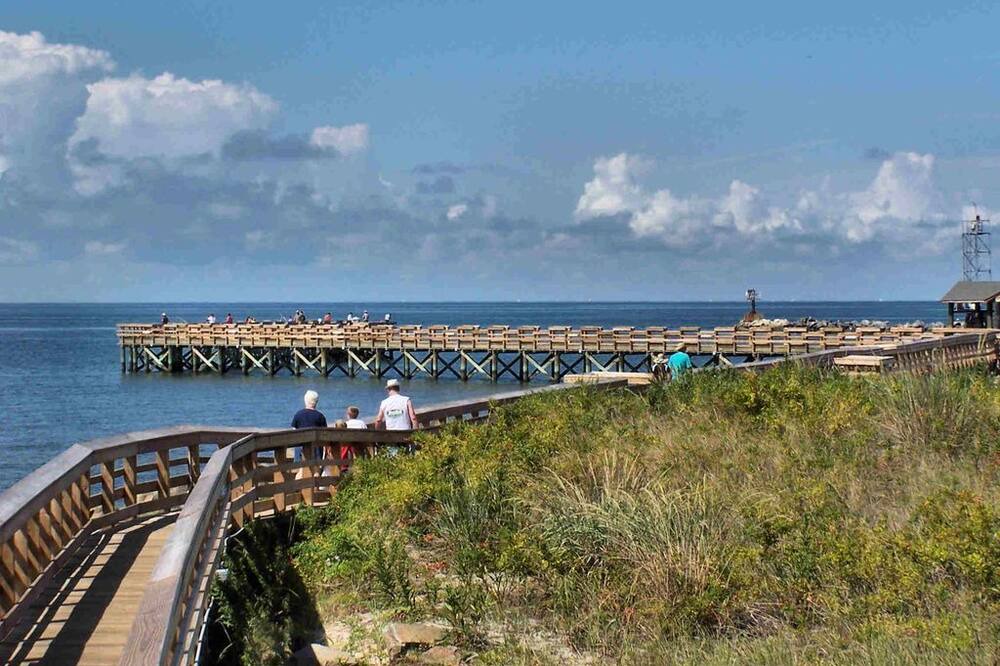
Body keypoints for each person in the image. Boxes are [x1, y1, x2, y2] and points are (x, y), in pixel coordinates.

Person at [375, 379, 417, 454]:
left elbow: (378, 420)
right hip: (405, 433)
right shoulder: (406, 400)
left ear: (388, 389)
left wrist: (377, 433)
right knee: (407, 455)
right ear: (398, 388)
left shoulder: (384, 402)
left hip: (391, 434)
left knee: (393, 454)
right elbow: (413, 417)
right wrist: (415, 432)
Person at [291, 390, 328, 464]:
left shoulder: (298, 414)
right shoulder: (320, 416)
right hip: (316, 448)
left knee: (299, 467)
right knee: (316, 467)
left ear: (305, 401)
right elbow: (325, 433)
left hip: (300, 446)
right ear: (316, 402)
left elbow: (294, 429)